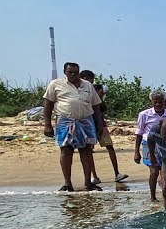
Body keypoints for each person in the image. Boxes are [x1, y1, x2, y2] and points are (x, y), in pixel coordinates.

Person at [42, 62, 103, 192]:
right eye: (70, 72)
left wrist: (99, 124)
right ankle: (67, 183)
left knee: (86, 151)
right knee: (66, 151)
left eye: (76, 72)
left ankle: (88, 182)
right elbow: (48, 105)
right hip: (65, 122)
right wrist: (47, 125)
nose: (73, 74)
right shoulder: (55, 85)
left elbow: (96, 106)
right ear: (65, 72)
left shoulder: (87, 85)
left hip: (86, 121)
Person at [79, 71, 127, 184]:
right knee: (89, 150)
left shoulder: (93, 91)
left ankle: (116, 173)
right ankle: (94, 176)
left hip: (99, 123)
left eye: (91, 80)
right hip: (87, 124)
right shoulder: (80, 92)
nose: (89, 82)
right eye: (87, 79)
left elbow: (102, 108)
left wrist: (100, 98)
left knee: (109, 146)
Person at [134, 91, 166, 202]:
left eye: (160, 102)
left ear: (164, 102)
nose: (158, 104)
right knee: (154, 172)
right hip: (149, 144)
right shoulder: (144, 114)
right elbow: (139, 133)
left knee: (165, 172)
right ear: (152, 101)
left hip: (165, 145)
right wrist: (136, 152)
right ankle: (152, 197)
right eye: (155, 102)